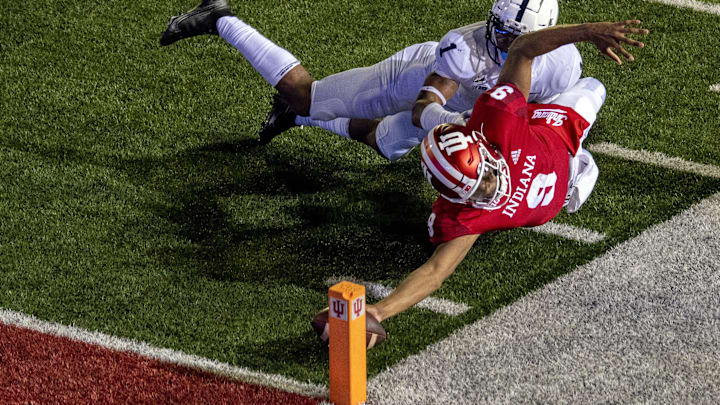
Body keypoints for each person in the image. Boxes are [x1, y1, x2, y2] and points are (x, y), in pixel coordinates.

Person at [359, 20, 647, 325]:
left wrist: (588, 31)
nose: (488, 190)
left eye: (483, 177)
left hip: (555, 132)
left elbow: (522, 49)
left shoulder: (499, 120)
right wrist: (379, 311)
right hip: (560, 183)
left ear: (486, 149)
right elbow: (434, 273)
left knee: (594, 87)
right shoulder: (462, 212)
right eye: (473, 191)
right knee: (583, 182)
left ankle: (567, 143)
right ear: (453, 196)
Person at [160, 0, 582, 161]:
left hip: (464, 110)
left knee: (385, 145)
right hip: (412, 81)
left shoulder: (562, 65)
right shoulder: (463, 47)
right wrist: (456, 125)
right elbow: (424, 105)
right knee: (307, 96)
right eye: (500, 29)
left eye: (517, 37)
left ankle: (296, 120)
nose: (503, 41)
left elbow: (552, 114)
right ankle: (221, 19)